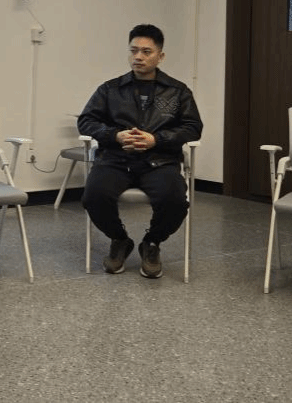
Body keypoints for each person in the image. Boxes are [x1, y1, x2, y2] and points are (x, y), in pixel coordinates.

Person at [77, 23, 202, 279]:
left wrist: (156, 139)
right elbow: (86, 121)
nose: (138, 57)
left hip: (159, 161)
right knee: (94, 196)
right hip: (115, 159)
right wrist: (115, 135)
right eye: (134, 51)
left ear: (160, 56)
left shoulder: (178, 91)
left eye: (146, 52)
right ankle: (119, 239)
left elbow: (193, 127)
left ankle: (152, 242)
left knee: (175, 201)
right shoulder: (110, 89)